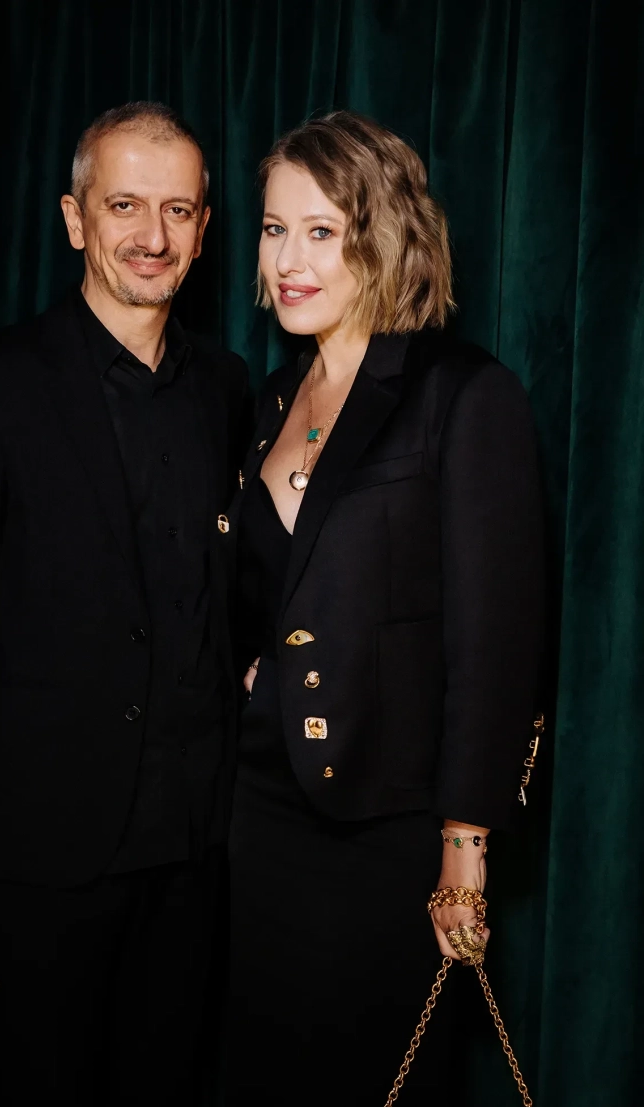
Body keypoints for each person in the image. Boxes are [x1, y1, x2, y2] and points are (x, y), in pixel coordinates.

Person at [0, 101, 249, 1106]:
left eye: (178, 210)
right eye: (124, 205)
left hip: (191, 858)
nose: (152, 236)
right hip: (31, 862)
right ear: (74, 218)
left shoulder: (229, 390)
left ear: (204, 230)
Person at [225, 111, 544, 1105]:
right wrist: (252, 671)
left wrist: (464, 848)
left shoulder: (462, 394)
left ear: (386, 235)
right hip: (255, 818)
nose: (289, 260)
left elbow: (497, 646)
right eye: (274, 229)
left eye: (321, 231)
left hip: (389, 832)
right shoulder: (270, 401)